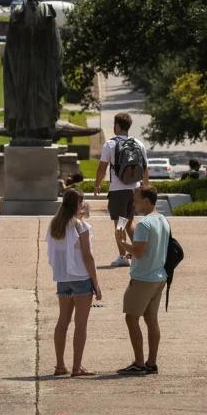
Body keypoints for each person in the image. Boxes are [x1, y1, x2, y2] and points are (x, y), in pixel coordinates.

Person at [46, 187, 102, 376]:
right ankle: (77, 367)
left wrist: (81, 215)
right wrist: (97, 283)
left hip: (63, 278)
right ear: (78, 204)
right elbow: (88, 256)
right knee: (80, 324)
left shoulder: (56, 224)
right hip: (81, 278)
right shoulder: (82, 226)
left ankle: (60, 365)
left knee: (63, 321)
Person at [121, 186, 169, 375]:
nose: (134, 203)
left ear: (147, 201)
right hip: (159, 275)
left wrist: (122, 242)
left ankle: (139, 363)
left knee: (131, 318)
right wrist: (133, 251)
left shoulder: (143, 224)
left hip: (143, 278)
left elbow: (139, 251)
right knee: (151, 320)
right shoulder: (163, 220)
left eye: (137, 200)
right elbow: (149, 249)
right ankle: (151, 362)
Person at [92, 111, 148, 267]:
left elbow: (102, 167)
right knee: (129, 222)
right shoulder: (138, 143)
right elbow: (144, 169)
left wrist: (97, 184)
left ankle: (123, 256)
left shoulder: (111, 144)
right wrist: (145, 187)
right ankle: (142, 252)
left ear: (117, 125)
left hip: (118, 190)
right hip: (135, 190)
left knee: (120, 224)